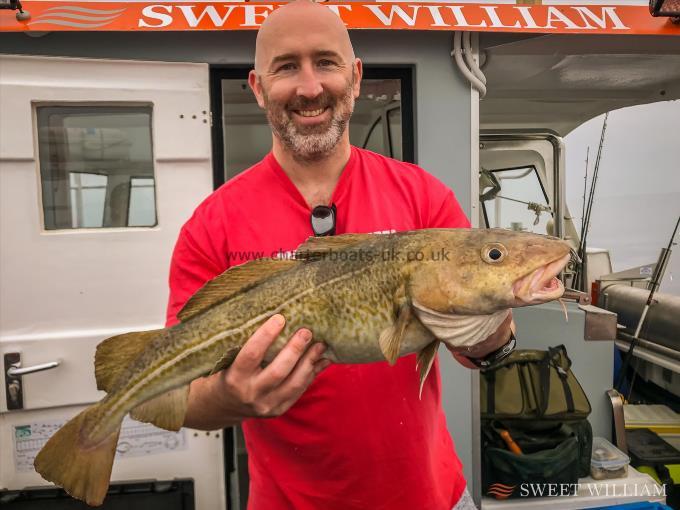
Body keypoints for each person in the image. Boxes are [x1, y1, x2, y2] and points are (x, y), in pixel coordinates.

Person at [165, 1, 514, 508]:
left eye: (326, 62)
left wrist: (496, 321)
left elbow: (476, 349)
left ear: (354, 76)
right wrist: (228, 398)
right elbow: (177, 397)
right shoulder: (210, 226)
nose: (310, 87)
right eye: (286, 66)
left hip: (434, 497)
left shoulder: (424, 198)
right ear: (258, 87)